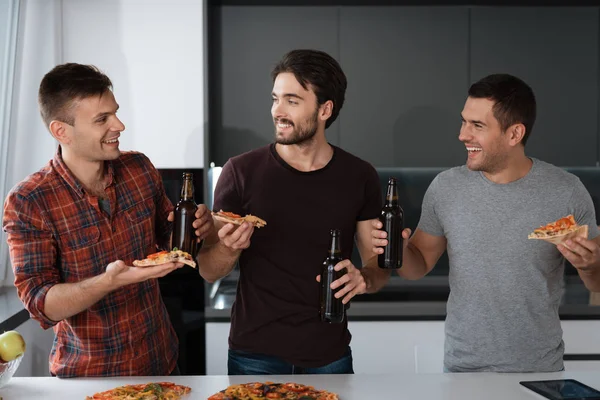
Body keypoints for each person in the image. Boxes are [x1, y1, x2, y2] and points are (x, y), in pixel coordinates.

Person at [372, 73, 600, 373]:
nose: (462, 135)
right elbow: (419, 266)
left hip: (539, 369)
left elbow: (597, 281)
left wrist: (590, 265)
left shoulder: (566, 191)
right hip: (463, 369)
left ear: (514, 134)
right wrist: (398, 248)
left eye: (477, 126)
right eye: (464, 121)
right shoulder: (446, 187)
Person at [2, 63, 213, 377]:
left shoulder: (139, 169)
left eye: (114, 112)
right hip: (87, 378)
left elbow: (171, 238)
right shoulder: (29, 201)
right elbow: (40, 303)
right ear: (61, 131)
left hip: (161, 364)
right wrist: (108, 282)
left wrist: (196, 228)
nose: (119, 125)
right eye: (102, 119)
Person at [198, 49, 391, 375]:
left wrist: (365, 278)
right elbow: (208, 270)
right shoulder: (240, 172)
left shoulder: (359, 176)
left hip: (330, 355)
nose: (278, 111)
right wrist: (229, 249)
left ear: (324, 109)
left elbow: (377, 266)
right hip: (253, 355)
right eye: (275, 99)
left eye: (292, 100)